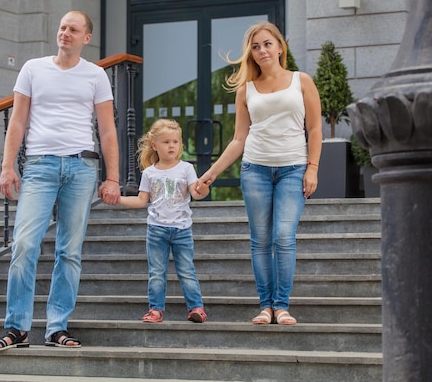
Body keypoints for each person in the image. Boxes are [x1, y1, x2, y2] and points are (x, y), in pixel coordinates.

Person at [0, 11, 121, 350]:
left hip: (81, 168)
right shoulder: (33, 68)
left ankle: (56, 328)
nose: (65, 33)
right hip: (39, 166)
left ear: (86, 38)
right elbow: (17, 122)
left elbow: (107, 130)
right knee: (24, 245)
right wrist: (7, 166)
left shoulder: (96, 75)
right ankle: (17, 327)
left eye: (73, 29)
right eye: (62, 27)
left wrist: (113, 177)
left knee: (69, 252)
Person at [197, 21, 322, 326]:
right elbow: (239, 138)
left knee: (284, 236)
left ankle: (282, 306)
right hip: (255, 169)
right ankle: (266, 306)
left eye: (267, 44)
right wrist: (210, 173)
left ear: (280, 47)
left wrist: (312, 168)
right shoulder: (246, 89)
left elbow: (315, 128)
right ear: (250, 54)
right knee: (260, 240)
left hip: (293, 168)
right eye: (255, 47)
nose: (262, 51)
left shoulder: (301, 81)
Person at [116, 119, 209, 324]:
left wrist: (203, 189)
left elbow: (196, 192)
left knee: (186, 270)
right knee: (157, 272)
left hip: (182, 230)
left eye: (175, 142)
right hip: (156, 229)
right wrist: (118, 198)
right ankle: (156, 310)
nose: (172, 146)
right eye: (166, 142)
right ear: (155, 145)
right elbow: (141, 200)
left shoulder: (186, 169)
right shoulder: (149, 173)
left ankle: (196, 308)